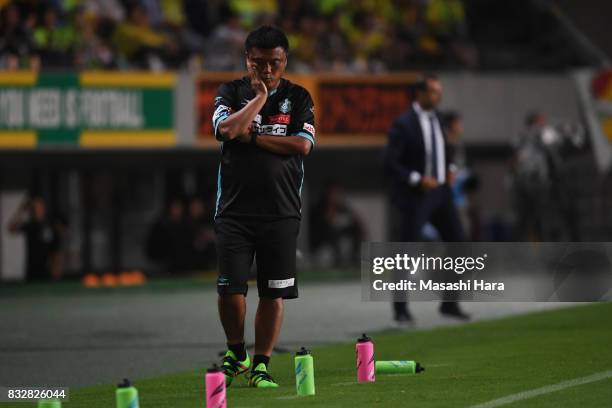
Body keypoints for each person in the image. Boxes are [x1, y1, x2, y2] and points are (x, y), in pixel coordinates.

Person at [212, 25, 315, 388]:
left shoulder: (299, 97)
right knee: (230, 289)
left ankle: (260, 365)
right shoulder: (230, 92)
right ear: (247, 61)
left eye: (274, 63)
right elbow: (226, 131)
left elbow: (301, 146)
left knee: (273, 292)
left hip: (281, 212)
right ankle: (236, 351)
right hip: (234, 212)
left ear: (285, 61)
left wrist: (252, 135)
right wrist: (257, 100)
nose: (267, 71)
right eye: (259, 63)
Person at [384, 74, 469, 323]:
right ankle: (400, 309)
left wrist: (451, 169)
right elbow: (390, 162)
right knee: (406, 251)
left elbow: (447, 149)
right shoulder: (403, 124)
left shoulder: (440, 120)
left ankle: (450, 303)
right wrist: (417, 179)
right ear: (419, 94)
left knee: (459, 244)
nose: (438, 96)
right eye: (433, 92)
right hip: (416, 195)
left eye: (439, 92)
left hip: (441, 193)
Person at [8, 196, 65, 281]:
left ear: (44, 207)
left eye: (39, 206)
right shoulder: (30, 225)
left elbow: (56, 248)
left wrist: (57, 267)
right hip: (32, 270)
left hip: (48, 271)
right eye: (34, 207)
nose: (37, 209)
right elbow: (11, 229)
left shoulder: (51, 224)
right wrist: (20, 211)